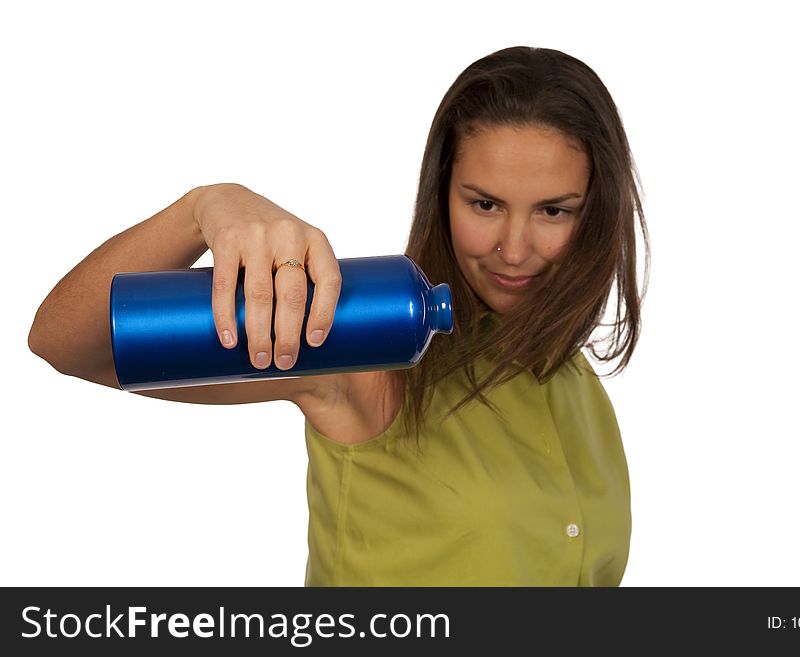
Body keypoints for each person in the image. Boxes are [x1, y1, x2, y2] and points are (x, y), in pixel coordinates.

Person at [28, 46, 649, 586]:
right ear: (443, 194)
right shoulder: (368, 346)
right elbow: (69, 343)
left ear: (595, 210)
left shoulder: (576, 384)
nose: (513, 249)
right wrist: (203, 206)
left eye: (554, 211)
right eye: (484, 203)